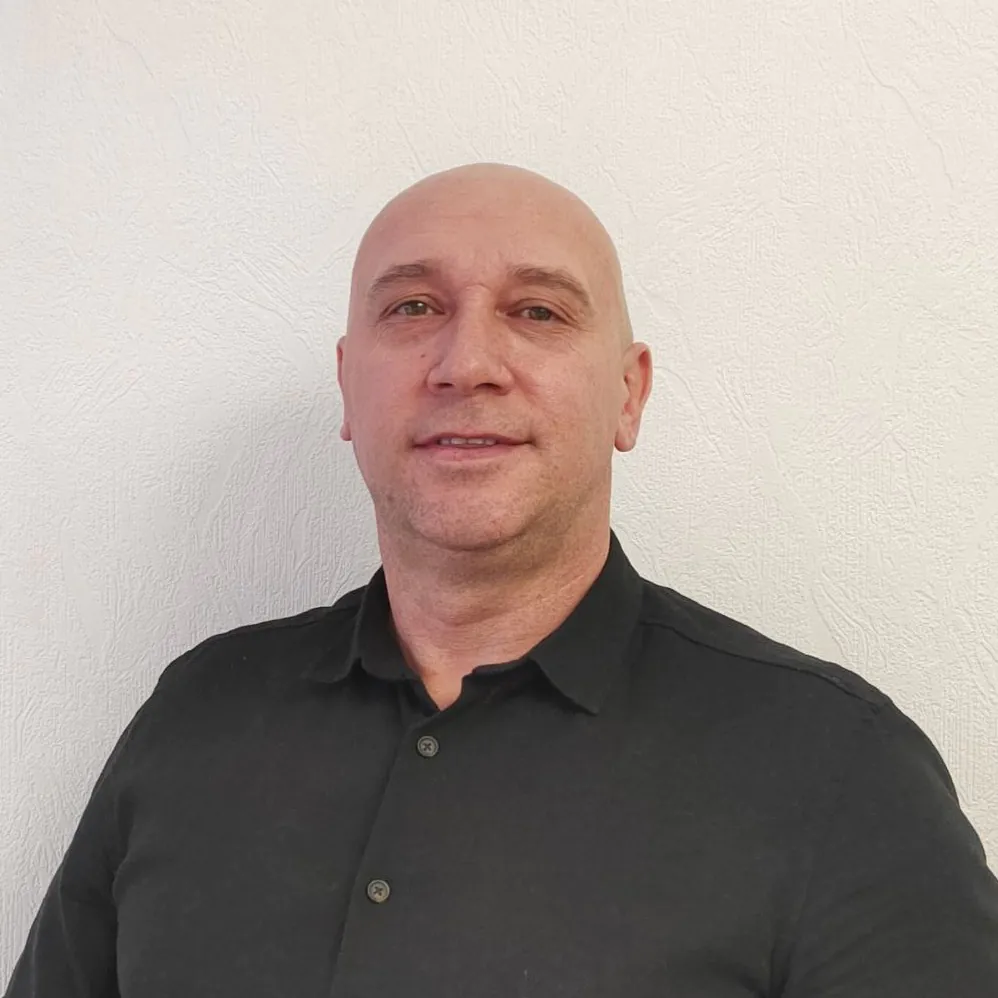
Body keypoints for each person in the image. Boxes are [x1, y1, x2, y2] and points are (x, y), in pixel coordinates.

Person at [5, 162, 997, 997]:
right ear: (348, 385)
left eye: (536, 311)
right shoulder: (195, 716)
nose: (467, 361)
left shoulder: (837, 771)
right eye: (413, 307)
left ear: (628, 393)